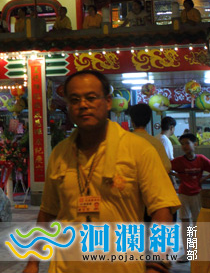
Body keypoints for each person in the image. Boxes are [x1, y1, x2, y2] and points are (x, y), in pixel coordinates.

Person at [23, 70, 180, 273]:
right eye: (75, 100)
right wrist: (33, 263)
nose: (83, 105)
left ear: (107, 102)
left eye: (91, 98)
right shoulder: (60, 153)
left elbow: (162, 209)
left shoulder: (138, 149)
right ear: (68, 106)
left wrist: (157, 264)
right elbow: (47, 212)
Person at [171, 132, 210, 261]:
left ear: (195, 144)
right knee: (186, 224)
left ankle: (199, 250)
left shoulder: (201, 159)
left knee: (197, 224)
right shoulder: (178, 161)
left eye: (187, 143)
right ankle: (188, 253)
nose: (184, 146)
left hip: (197, 195)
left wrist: (203, 179)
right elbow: (166, 168)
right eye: (182, 144)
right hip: (183, 195)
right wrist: (178, 176)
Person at [128, 103, 171, 174]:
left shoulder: (124, 140)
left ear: (132, 121)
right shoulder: (156, 143)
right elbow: (167, 167)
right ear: (148, 120)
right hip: (152, 179)